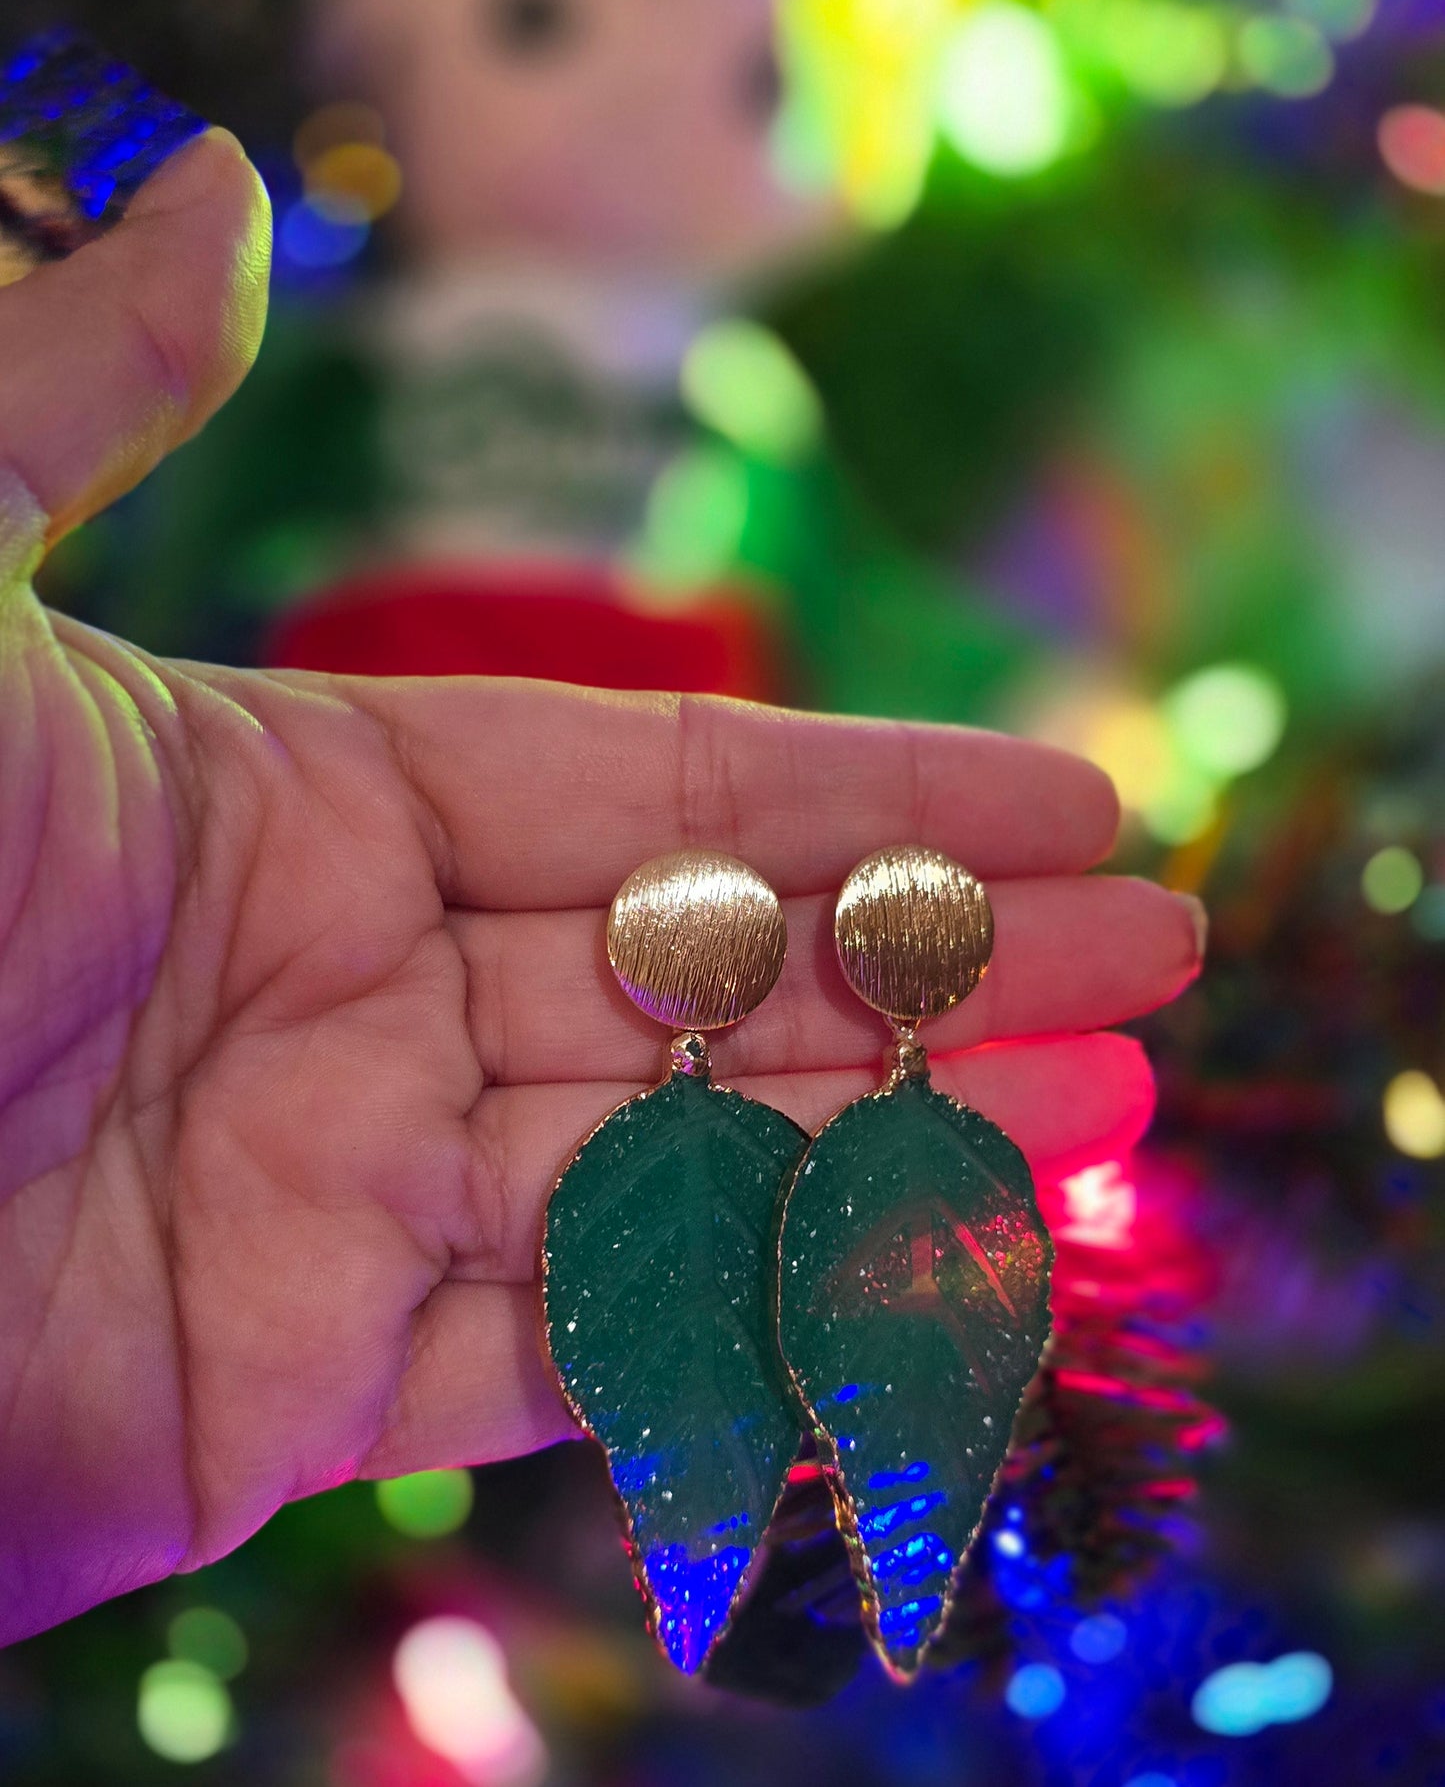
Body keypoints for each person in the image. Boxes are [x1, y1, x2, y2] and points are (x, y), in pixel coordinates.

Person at [0, 131, 1204, 1647]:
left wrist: (1010, 676)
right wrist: (118, 638)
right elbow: (213, 505)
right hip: (346, 742)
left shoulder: (738, 397)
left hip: (618, 758)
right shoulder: (362, 362)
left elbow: (848, 580)